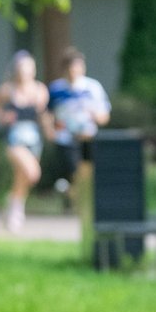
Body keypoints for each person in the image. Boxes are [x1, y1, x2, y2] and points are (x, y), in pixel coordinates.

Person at [0, 51, 50, 233]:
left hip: (34, 139)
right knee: (32, 173)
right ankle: (15, 209)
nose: (25, 71)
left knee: (22, 179)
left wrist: (50, 129)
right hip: (14, 139)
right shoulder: (8, 90)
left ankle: (14, 210)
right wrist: (3, 116)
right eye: (22, 67)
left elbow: (43, 116)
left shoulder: (40, 90)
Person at [44, 47, 111, 211]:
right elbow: (47, 113)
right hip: (65, 138)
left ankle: (74, 198)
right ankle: (77, 202)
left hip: (88, 137)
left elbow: (104, 115)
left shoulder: (93, 88)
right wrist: (49, 131)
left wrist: (95, 116)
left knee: (88, 171)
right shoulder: (56, 89)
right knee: (74, 171)